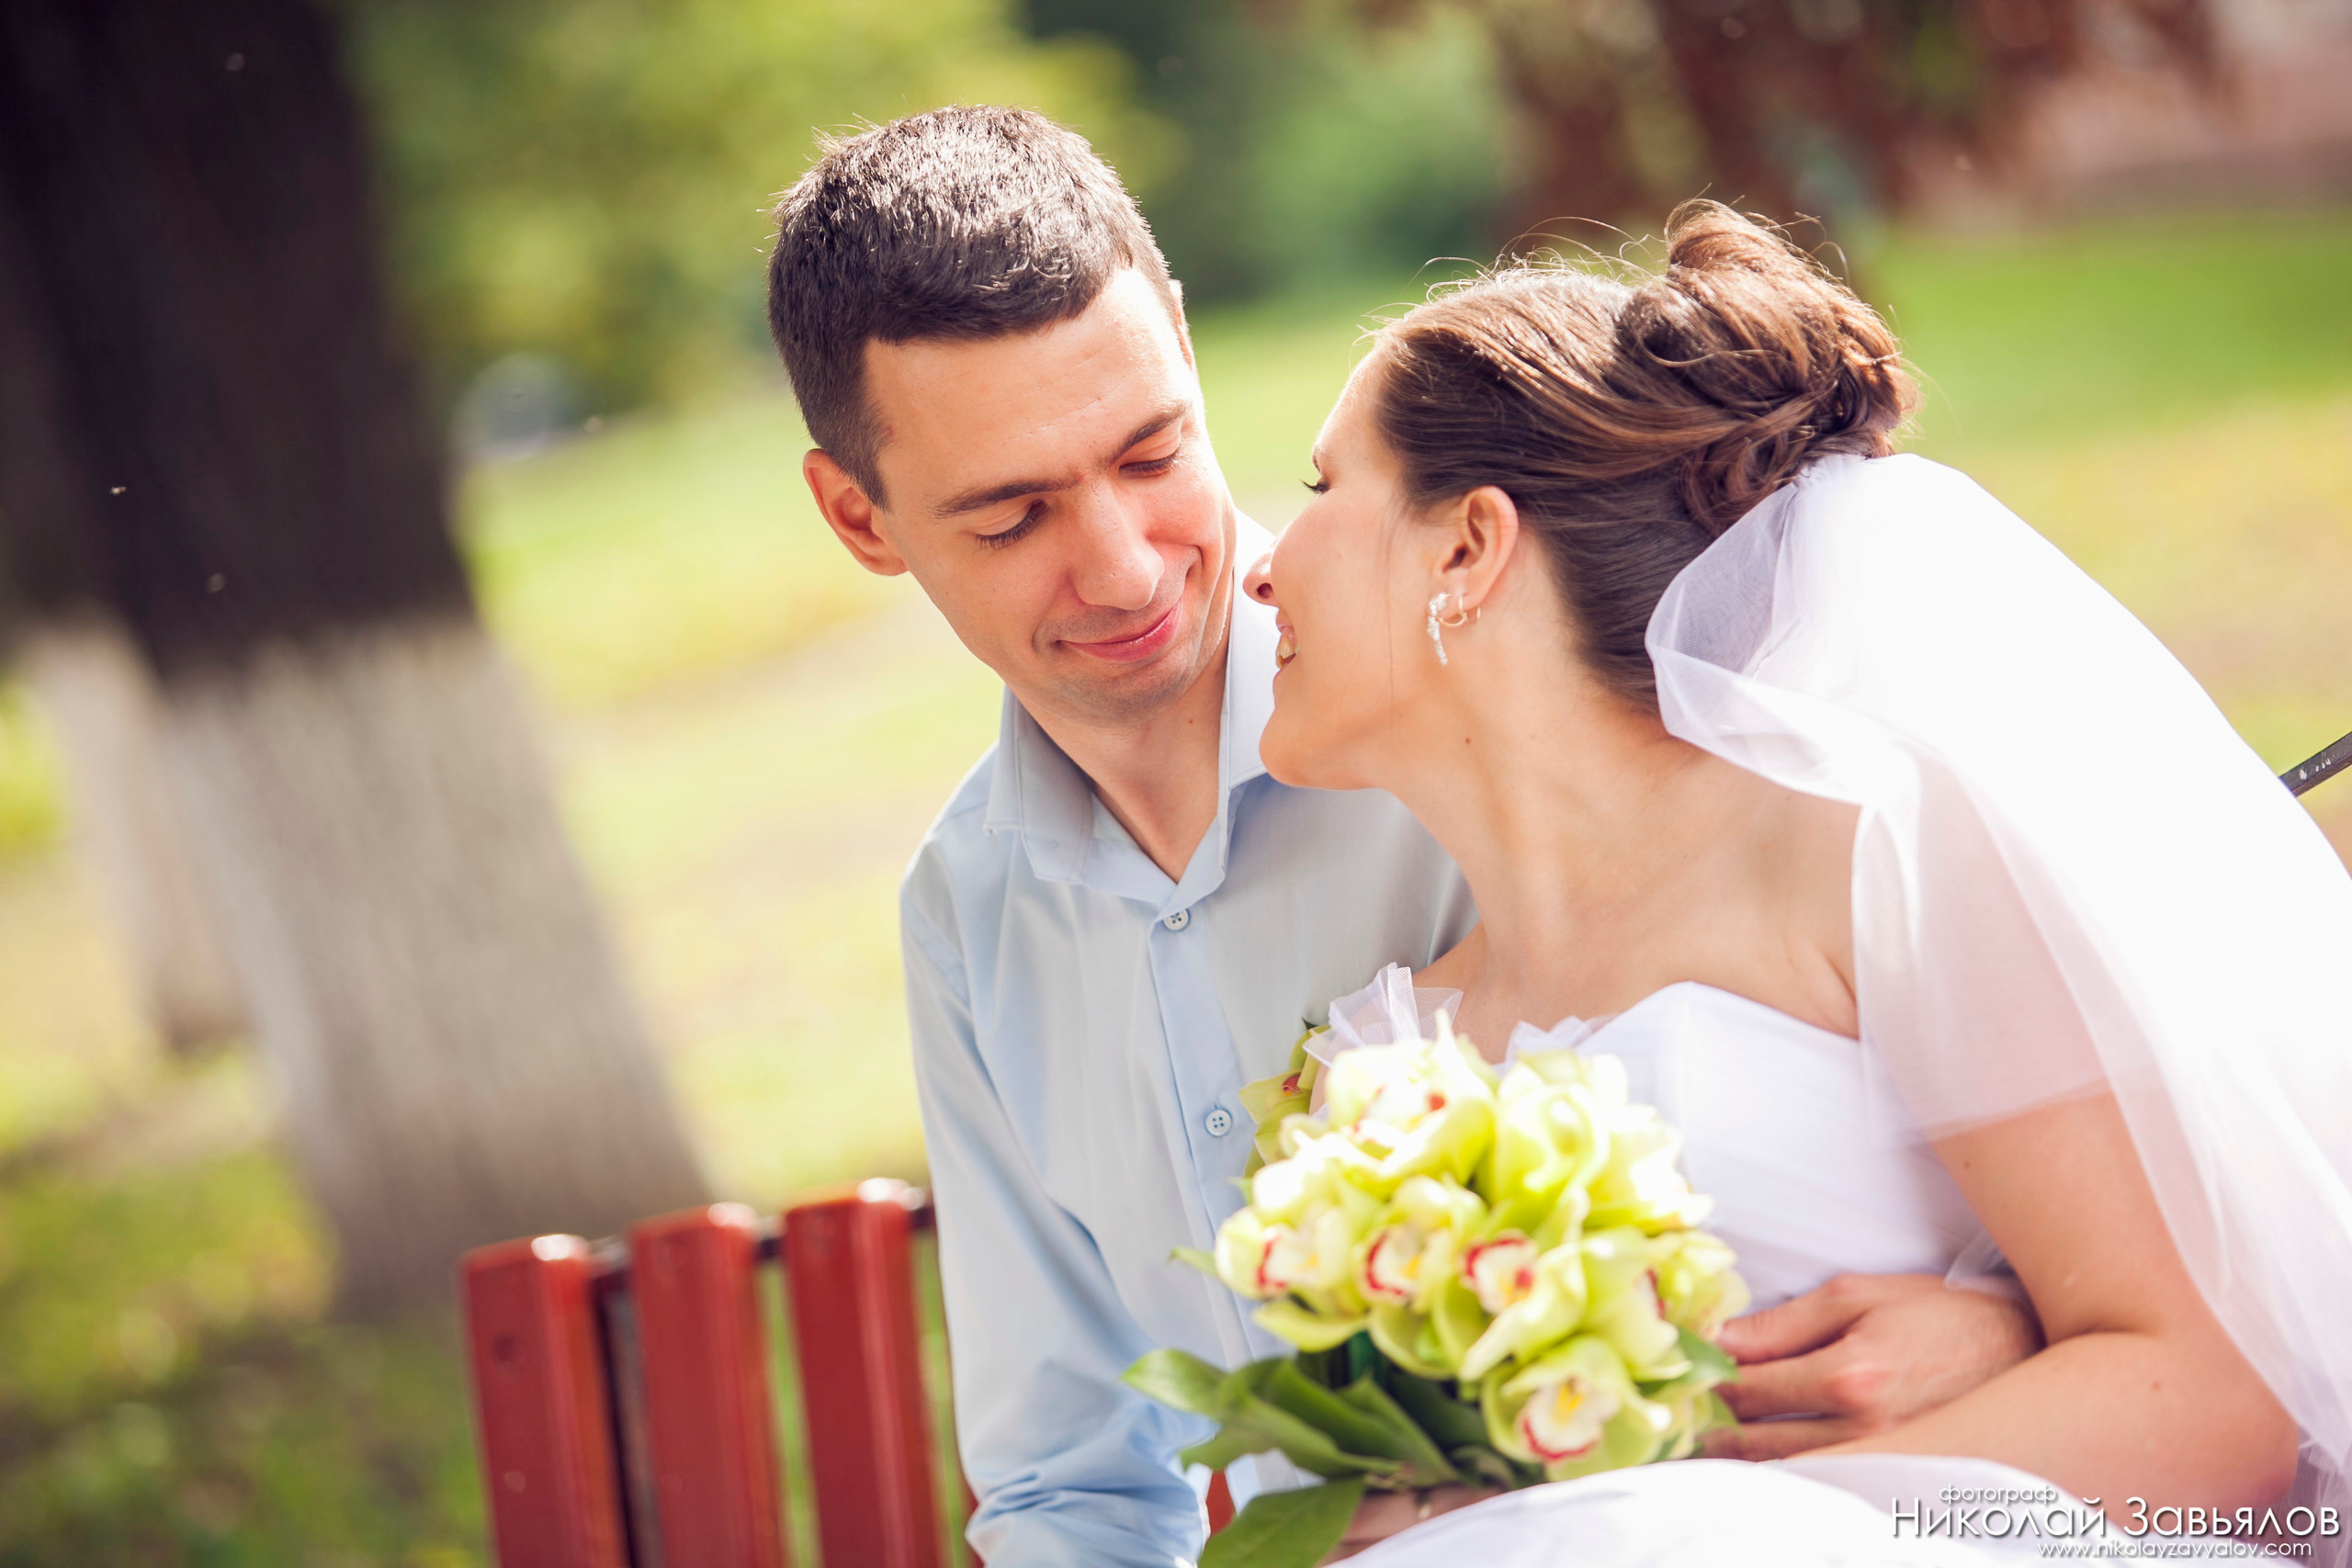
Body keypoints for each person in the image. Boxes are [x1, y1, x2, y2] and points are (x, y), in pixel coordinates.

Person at [765, 107, 2042, 1567]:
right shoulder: (970, 909)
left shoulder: (1501, 706)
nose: (1123, 567)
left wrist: (2007, 1321)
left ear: (1179, 338)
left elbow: (1929, 1090)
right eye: (1009, 519)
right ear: (860, 517)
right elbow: (1069, 1487)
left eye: (1151, 452)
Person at [1240, 199, 2352, 1562]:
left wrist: (1679, 1525)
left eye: (1316, 489)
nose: (1255, 566)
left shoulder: (1879, 859)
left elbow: (2217, 1415)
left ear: (1467, 549)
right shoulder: (1376, 1055)